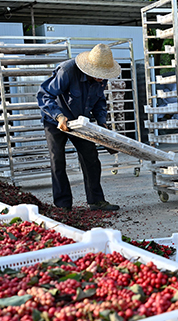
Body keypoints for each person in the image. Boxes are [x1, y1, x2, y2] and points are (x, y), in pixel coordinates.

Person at [37, 43, 121, 211]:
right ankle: (63, 205)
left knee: (91, 158)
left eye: (104, 75)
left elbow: (99, 102)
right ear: (89, 68)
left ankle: (96, 201)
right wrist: (59, 117)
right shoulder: (67, 72)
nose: (102, 78)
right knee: (58, 160)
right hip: (56, 121)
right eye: (99, 74)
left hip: (80, 122)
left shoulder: (100, 79)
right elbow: (45, 95)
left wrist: (102, 122)